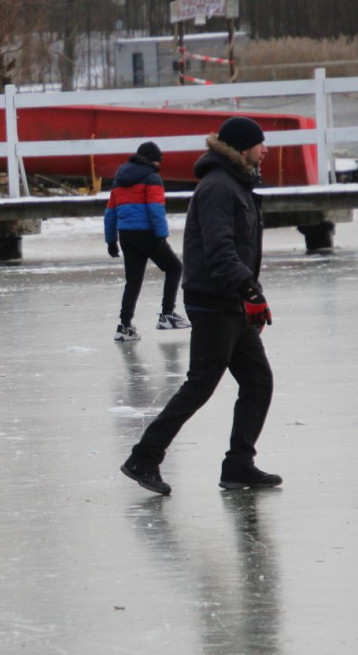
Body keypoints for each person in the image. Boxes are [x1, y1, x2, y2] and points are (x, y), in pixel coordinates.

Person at [120, 116, 281, 496]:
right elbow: (219, 249)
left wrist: (249, 294)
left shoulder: (235, 184)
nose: (265, 150)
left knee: (258, 382)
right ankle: (144, 457)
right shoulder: (219, 187)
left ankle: (239, 464)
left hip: (230, 300)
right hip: (214, 301)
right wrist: (249, 291)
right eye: (260, 143)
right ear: (243, 148)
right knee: (200, 385)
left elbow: (237, 249)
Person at [104, 141, 189, 342]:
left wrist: (111, 241)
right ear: (154, 160)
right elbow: (156, 208)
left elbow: (110, 214)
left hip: (126, 235)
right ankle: (167, 315)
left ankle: (124, 327)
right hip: (147, 233)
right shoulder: (152, 178)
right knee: (174, 267)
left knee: (133, 280)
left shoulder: (119, 180)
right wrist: (161, 234)